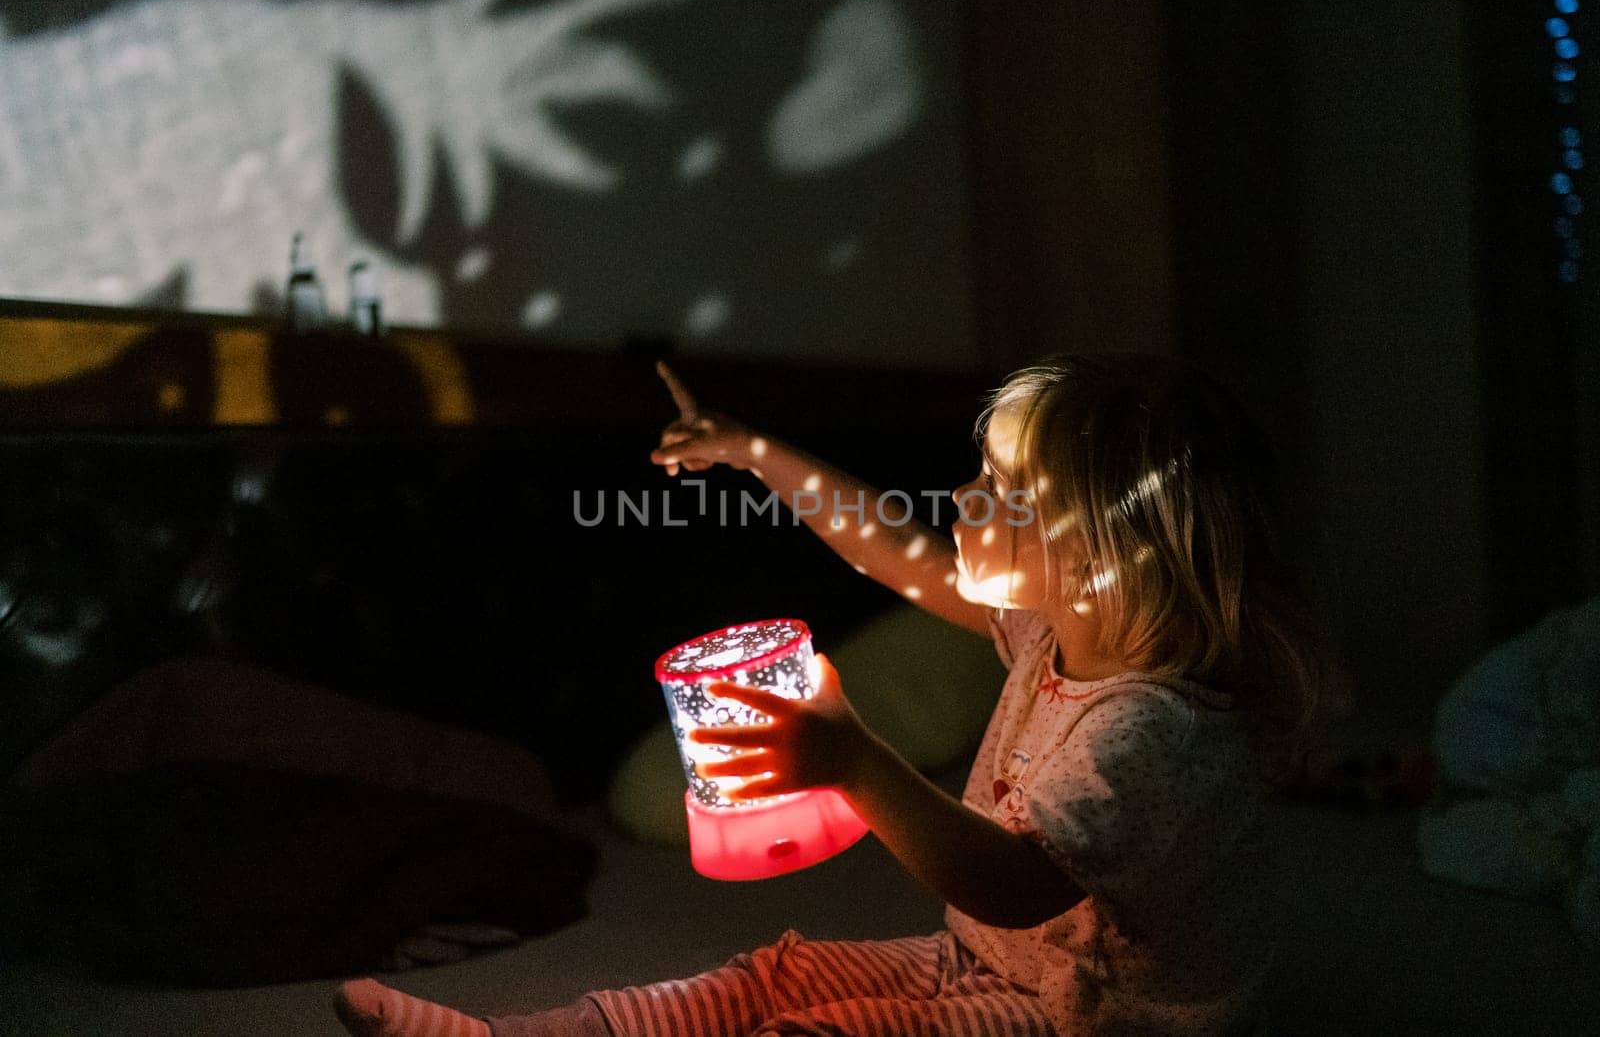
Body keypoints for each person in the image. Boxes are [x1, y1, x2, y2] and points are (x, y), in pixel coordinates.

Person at [336, 354, 1326, 1036]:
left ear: (1110, 551)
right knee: (773, 974)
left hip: (1086, 1019)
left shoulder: (1149, 727)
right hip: (991, 966)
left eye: (1005, 485)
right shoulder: (1050, 628)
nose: (965, 499)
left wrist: (854, 760)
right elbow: (900, 555)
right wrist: (755, 453)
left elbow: (1013, 882)